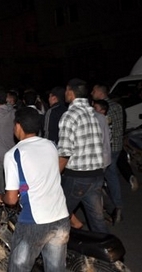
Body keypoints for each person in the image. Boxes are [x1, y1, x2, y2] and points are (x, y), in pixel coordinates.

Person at [0, 107, 70, 272]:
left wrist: (1, 196)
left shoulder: (14, 154)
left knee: (18, 268)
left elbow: (12, 199)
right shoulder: (51, 145)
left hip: (34, 222)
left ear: (18, 126)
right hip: (61, 217)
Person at [58, 78, 109, 233]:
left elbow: (65, 152)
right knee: (97, 220)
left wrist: (53, 175)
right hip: (97, 175)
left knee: (58, 215)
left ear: (70, 91)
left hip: (77, 176)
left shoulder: (69, 116)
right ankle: (105, 254)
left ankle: (57, 253)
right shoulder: (93, 114)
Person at [91, 83, 127, 224]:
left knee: (99, 180)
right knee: (111, 177)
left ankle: (110, 208)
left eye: (94, 91)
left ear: (100, 92)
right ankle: (116, 207)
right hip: (117, 146)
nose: (92, 93)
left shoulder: (101, 110)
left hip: (106, 148)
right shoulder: (117, 106)